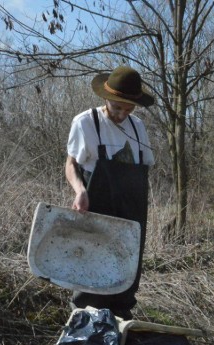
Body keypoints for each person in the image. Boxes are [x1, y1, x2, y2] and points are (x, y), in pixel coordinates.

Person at [64, 65, 156, 319]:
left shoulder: (138, 127)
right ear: (106, 99)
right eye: (117, 108)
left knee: (125, 273)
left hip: (132, 211)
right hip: (96, 207)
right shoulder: (85, 123)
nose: (122, 115)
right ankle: (85, 328)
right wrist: (79, 190)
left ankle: (120, 330)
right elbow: (71, 165)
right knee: (90, 270)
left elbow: (143, 167)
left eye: (128, 109)